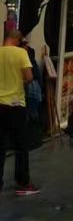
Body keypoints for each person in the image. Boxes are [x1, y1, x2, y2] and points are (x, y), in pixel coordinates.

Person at [0, 29, 39, 196]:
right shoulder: (21, 53)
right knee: (21, 146)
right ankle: (23, 183)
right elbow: (29, 77)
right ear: (17, 39)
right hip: (16, 105)